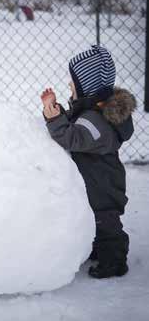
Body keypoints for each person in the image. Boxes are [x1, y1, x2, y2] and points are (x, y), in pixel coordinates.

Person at [41, 45, 136, 278]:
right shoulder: (94, 113)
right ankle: (98, 249)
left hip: (103, 185)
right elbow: (77, 125)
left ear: (87, 87)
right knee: (97, 221)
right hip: (98, 180)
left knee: (106, 224)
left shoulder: (96, 121)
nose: (69, 87)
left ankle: (114, 261)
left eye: (73, 84)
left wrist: (55, 121)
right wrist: (60, 112)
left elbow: (72, 137)